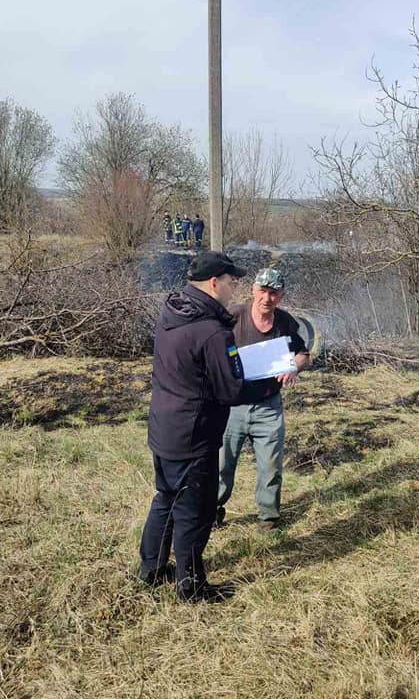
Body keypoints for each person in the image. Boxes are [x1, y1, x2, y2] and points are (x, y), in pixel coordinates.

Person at [139, 251, 248, 602]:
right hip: (194, 434)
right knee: (195, 512)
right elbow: (230, 388)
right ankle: (192, 587)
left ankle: (151, 570)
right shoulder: (213, 331)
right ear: (215, 284)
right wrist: (271, 381)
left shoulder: (173, 312)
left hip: (164, 425)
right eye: (232, 283)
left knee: (166, 499)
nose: (235, 289)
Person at [217, 267, 310, 532]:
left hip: (269, 407)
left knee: (271, 465)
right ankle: (212, 511)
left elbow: (304, 354)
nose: (267, 298)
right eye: (262, 291)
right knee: (222, 463)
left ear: (280, 295)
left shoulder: (285, 322)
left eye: (273, 293)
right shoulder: (232, 317)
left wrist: (293, 366)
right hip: (232, 405)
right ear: (253, 291)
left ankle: (268, 517)